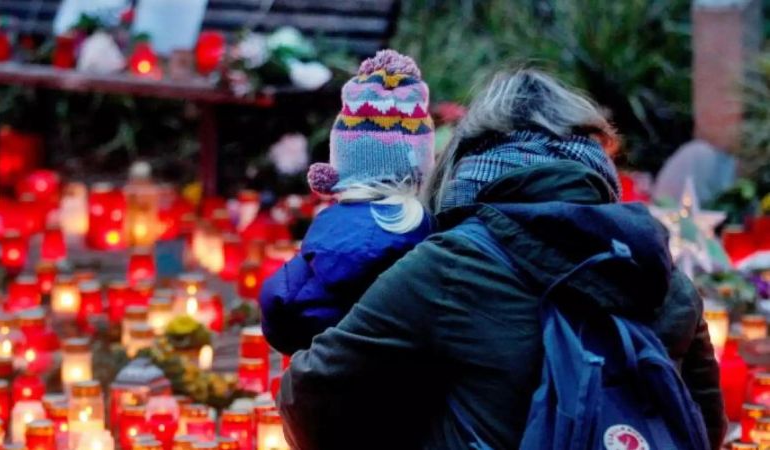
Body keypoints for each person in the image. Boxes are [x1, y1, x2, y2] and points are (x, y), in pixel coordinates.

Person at [277, 68, 725, 450]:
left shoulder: (451, 266)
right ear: (598, 171)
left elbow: (308, 392)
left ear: (468, 166)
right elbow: (703, 426)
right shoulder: (663, 277)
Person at [259, 49, 436, 355]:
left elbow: (278, 303)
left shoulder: (323, 237)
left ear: (339, 169)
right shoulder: (433, 237)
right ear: (422, 168)